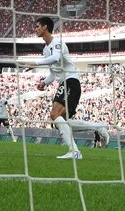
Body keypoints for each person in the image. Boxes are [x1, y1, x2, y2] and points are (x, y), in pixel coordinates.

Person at [24, 17, 109, 159]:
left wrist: (35, 63)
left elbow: (56, 58)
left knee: (54, 115)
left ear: (45, 27)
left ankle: (75, 152)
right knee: (62, 122)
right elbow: (53, 72)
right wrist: (44, 83)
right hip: (65, 82)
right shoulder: (46, 50)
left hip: (70, 81)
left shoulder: (57, 42)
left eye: (37, 26)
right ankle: (97, 127)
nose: (35, 29)